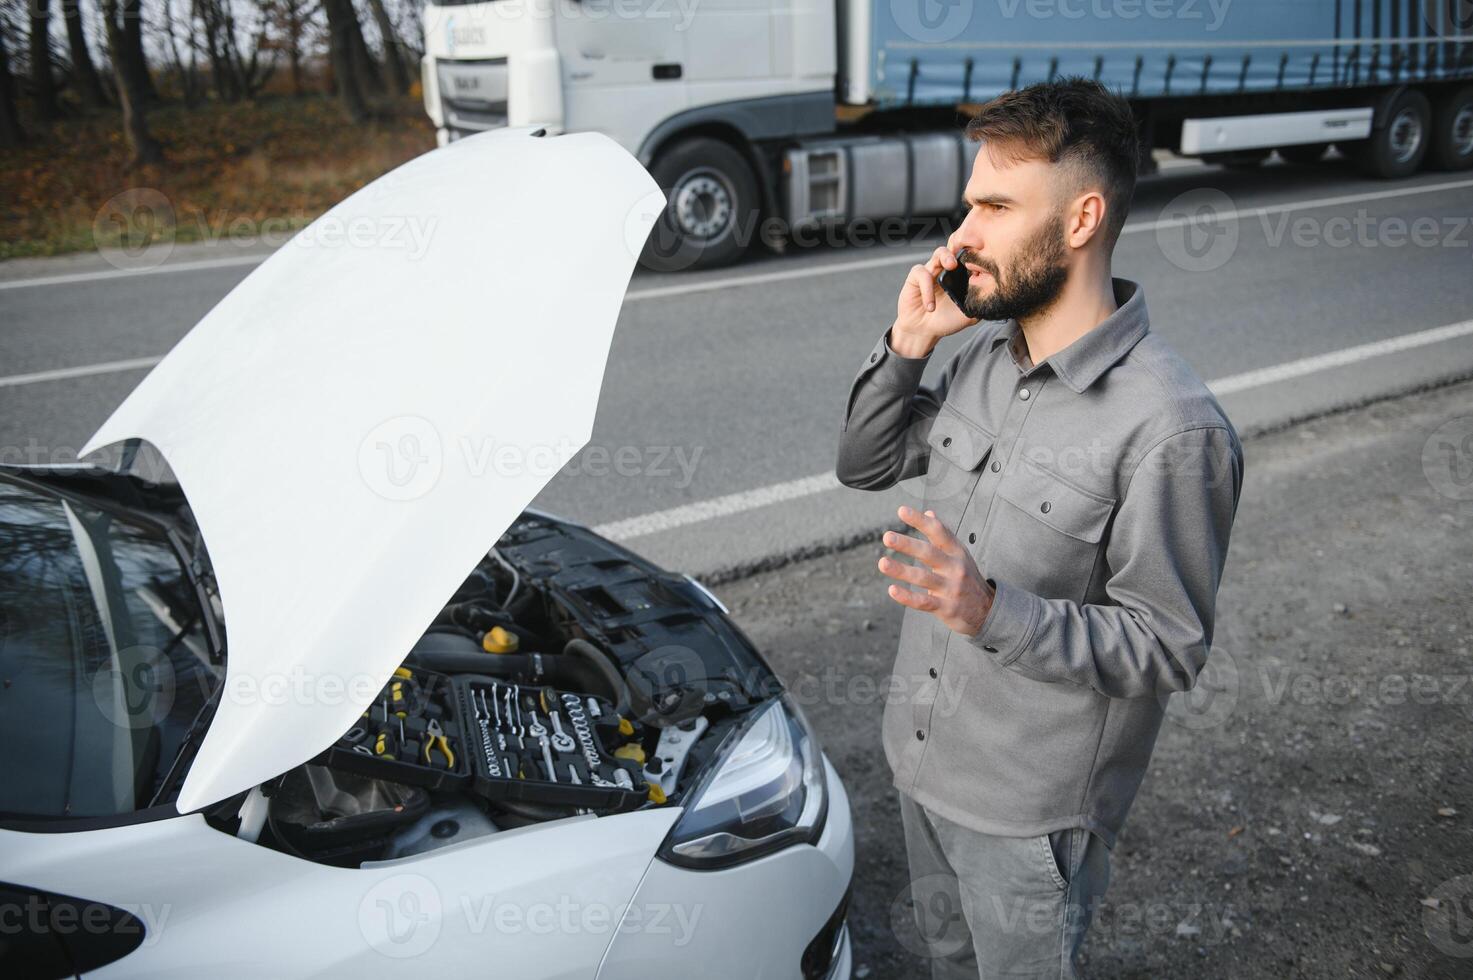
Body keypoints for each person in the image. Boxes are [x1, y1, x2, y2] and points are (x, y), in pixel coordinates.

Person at [835, 77, 1245, 979]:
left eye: (993, 205)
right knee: (946, 965)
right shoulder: (984, 354)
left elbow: (1167, 648)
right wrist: (909, 346)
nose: (962, 234)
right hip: (920, 762)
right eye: (967, 202)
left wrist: (989, 611)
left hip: (1028, 818)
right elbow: (864, 464)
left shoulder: (1173, 429)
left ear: (1081, 218)